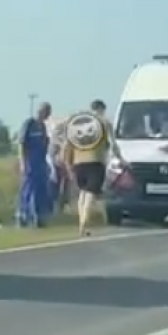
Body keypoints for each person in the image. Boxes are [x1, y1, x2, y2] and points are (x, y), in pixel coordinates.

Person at [62, 99, 126, 236]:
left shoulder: (77, 122)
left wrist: (67, 162)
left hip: (78, 162)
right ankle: (84, 224)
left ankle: (82, 223)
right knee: (91, 194)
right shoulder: (104, 123)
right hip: (95, 161)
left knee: (83, 193)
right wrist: (121, 159)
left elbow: (68, 144)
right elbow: (113, 144)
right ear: (102, 109)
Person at [16, 102, 53, 228]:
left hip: (40, 163)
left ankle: (39, 216)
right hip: (30, 162)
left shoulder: (42, 127)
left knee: (41, 190)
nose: (47, 115)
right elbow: (21, 144)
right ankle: (23, 215)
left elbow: (45, 145)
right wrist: (22, 163)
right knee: (28, 190)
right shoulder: (29, 124)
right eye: (46, 112)